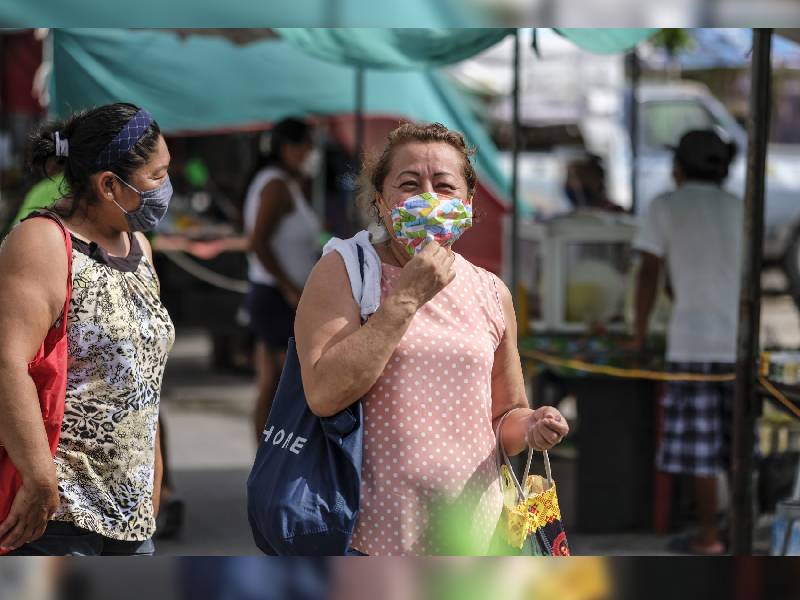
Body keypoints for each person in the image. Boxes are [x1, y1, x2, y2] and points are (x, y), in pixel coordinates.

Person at [294, 122, 569, 556]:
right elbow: (325, 392)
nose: (428, 198)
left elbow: (505, 418)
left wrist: (532, 425)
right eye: (409, 184)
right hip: (371, 540)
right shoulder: (344, 270)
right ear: (381, 203)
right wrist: (407, 296)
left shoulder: (491, 291)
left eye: (444, 185)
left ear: (469, 203)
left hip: (471, 541)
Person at [0, 102, 175, 555]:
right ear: (109, 184)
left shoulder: (138, 246)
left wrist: (153, 473)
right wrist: (40, 478)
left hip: (132, 519)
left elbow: (140, 377)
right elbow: (6, 361)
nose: (166, 188)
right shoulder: (42, 242)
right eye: (156, 177)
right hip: (58, 517)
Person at [630, 129, 741, 555]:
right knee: (733, 444)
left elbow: (650, 274)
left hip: (693, 343)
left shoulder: (666, 206)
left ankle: (709, 537)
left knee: (700, 448)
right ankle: (737, 527)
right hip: (738, 343)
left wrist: (639, 333)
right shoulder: (738, 207)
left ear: (679, 167)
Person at [243, 117, 322, 440]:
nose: (309, 153)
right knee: (282, 387)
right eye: (304, 146)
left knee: (273, 384)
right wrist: (289, 287)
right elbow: (257, 243)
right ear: (286, 148)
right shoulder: (275, 185)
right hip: (277, 296)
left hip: (280, 294)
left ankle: (267, 458)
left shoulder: (287, 183)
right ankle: (270, 456)